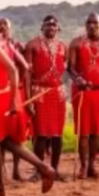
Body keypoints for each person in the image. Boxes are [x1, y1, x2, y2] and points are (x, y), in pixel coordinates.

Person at [0, 16, 55, 196]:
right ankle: (45, 168)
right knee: (8, 142)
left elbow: (13, 69)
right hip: (2, 95)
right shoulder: (2, 42)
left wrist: (12, 101)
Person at [67, 13, 99, 180]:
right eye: (89, 22)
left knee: (96, 132)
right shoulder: (76, 43)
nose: (91, 25)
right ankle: (82, 166)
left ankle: (91, 165)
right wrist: (78, 78)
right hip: (82, 92)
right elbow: (70, 68)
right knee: (83, 132)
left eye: (95, 23)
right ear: (85, 24)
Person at [23, 15, 68, 181]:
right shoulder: (32, 45)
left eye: (55, 25)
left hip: (58, 93)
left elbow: (66, 67)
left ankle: (54, 170)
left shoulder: (63, 47)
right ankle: (38, 171)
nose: (51, 27)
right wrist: (28, 99)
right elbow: (27, 75)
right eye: (48, 24)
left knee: (57, 135)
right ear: (42, 27)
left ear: (58, 28)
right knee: (41, 134)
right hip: (39, 92)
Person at [0, 17, 31, 181]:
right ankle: (2, 170)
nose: (3, 28)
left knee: (16, 134)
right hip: (1, 95)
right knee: (0, 133)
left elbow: (25, 66)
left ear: (10, 29)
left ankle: (16, 170)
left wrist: (18, 84)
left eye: (6, 26)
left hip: (13, 93)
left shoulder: (14, 46)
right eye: (0, 25)